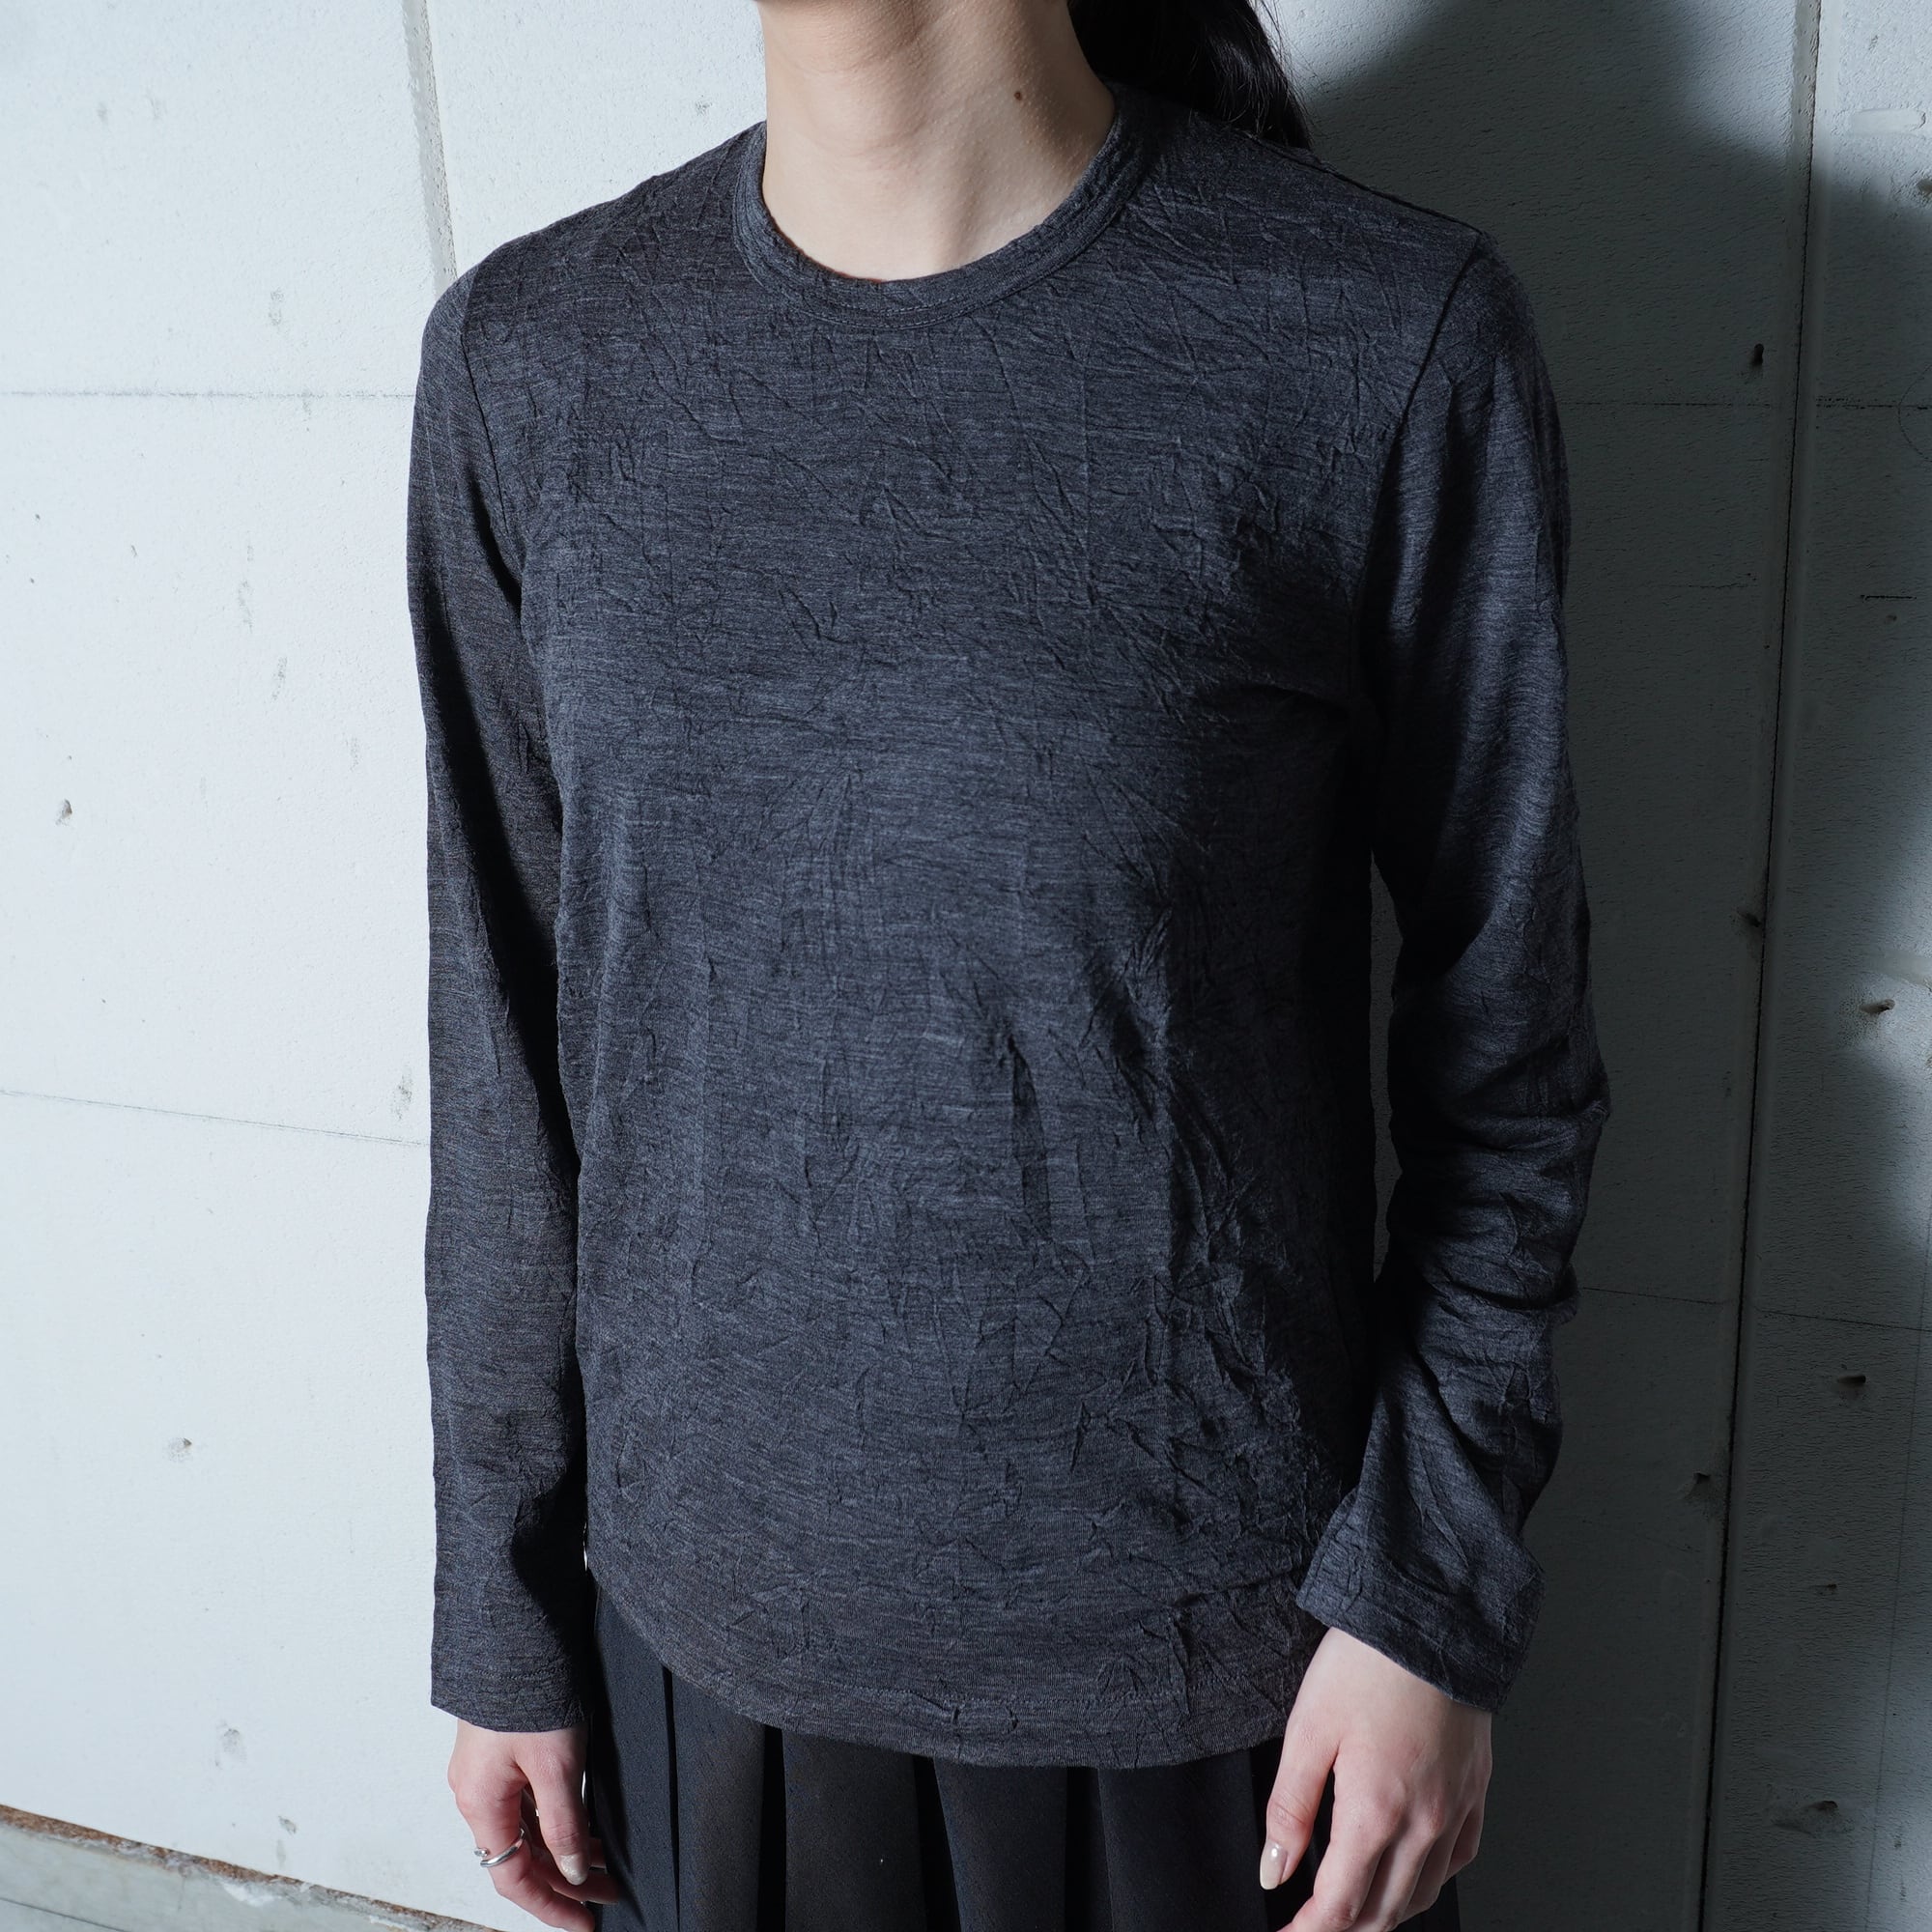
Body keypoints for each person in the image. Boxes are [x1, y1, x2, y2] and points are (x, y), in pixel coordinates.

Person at [403, 0, 1612, 1926]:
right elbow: (508, 1051)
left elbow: (1508, 1050)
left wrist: (1426, 1593)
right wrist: (502, 1600)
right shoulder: (528, 359)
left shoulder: (1374, 329)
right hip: (697, 1674)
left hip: (1227, 1702)